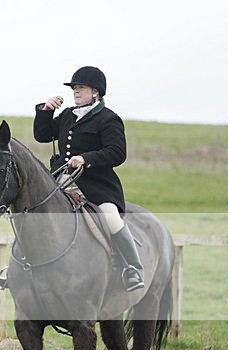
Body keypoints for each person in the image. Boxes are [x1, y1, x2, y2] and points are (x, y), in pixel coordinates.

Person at [32, 65, 144, 292]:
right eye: (74, 88)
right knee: (34, 213)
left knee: (111, 219)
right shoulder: (67, 116)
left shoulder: (108, 119)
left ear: (96, 91)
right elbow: (42, 135)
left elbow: (117, 153)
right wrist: (45, 111)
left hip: (96, 186)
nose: (75, 91)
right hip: (60, 182)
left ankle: (132, 268)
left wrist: (86, 158)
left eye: (80, 87)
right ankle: (18, 268)